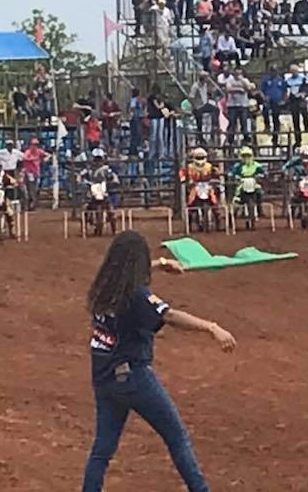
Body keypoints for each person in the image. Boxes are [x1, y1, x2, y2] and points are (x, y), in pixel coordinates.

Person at [81, 231, 234, 492]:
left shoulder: (103, 286)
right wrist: (211, 327)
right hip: (133, 378)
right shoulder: (137, 297)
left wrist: (162, 264)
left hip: (104, 377)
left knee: (102, 450)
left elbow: (123, 270)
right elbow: (170, 316)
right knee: (176, 437)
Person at [21, 137, 51, 211]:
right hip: (29, 172)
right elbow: (24, 157)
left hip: (36, 172)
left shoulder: (39, 151)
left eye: (36, 144)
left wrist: (45, 159)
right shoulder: (28, 151)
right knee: (31, 188)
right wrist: (33, 159)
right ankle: (31, 203)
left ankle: (33, 202)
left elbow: (48, 155)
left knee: (36, 188)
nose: (35, 146)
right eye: (33, 144)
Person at [283, 64, 308, 147]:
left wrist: (303, 94)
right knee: (295, 120)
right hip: (293, 100)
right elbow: (286, 90)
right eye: (292, 71)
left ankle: (307, 127)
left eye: (295, 71)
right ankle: (298, 139)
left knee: (305, 114)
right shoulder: (288, 80)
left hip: (301, 99)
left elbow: (307, 88)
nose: (294, 72)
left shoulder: (302, 78)